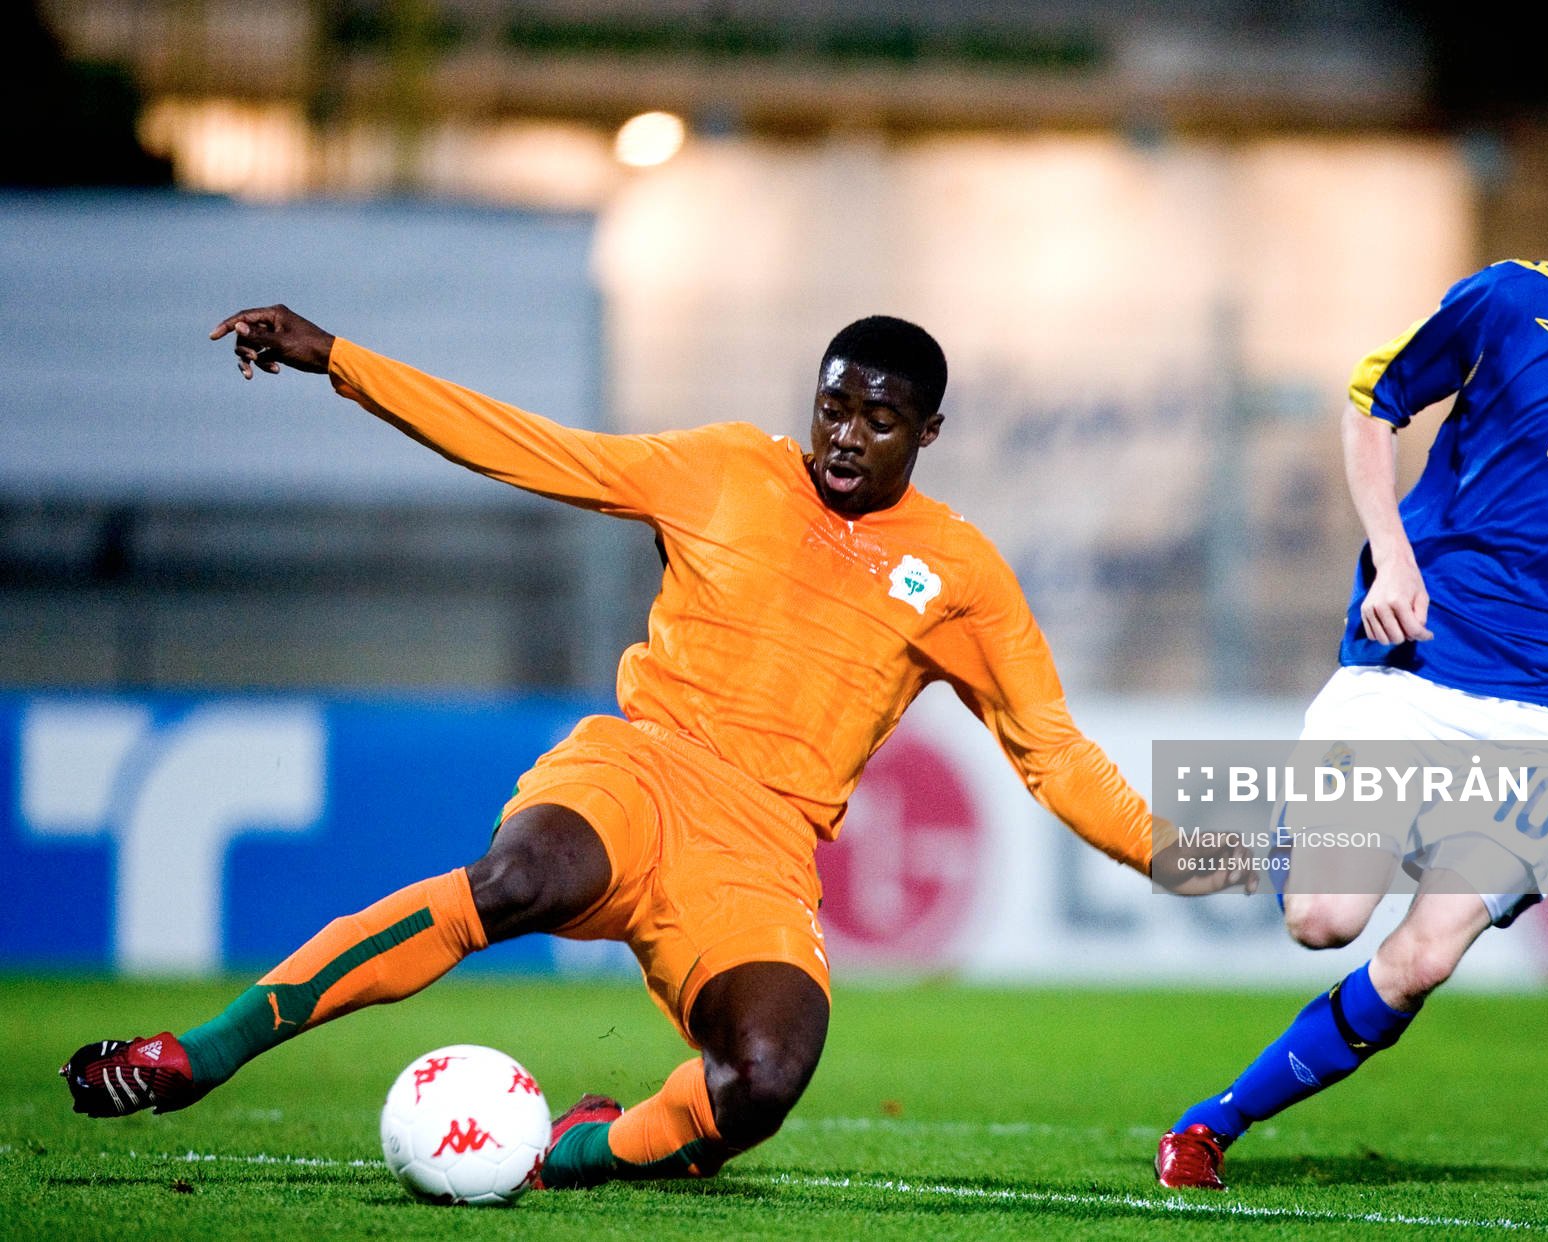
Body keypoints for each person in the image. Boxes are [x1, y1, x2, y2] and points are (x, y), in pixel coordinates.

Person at [61, 305, 1202, 1189]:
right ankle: (198, 1053)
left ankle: (582, 1154)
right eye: (833, 407)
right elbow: (528, 449)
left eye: (880, 418)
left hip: (761, 850)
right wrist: (338, 358)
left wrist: (1207, 861)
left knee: (764, 1078)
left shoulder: (960, 574)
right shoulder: (720, 468)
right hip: (639, 768)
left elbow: (1055, 755)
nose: (846, 436)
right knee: (515, 880)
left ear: (930, 432)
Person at [1155, 102, 1548, 1191]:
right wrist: (1392, 559)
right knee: (1324, 920)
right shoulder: (1509, 302)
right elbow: (1372, 403)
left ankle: (1210, 1129)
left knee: (1421, 957)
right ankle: (1285, 830)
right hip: (1424, 666)